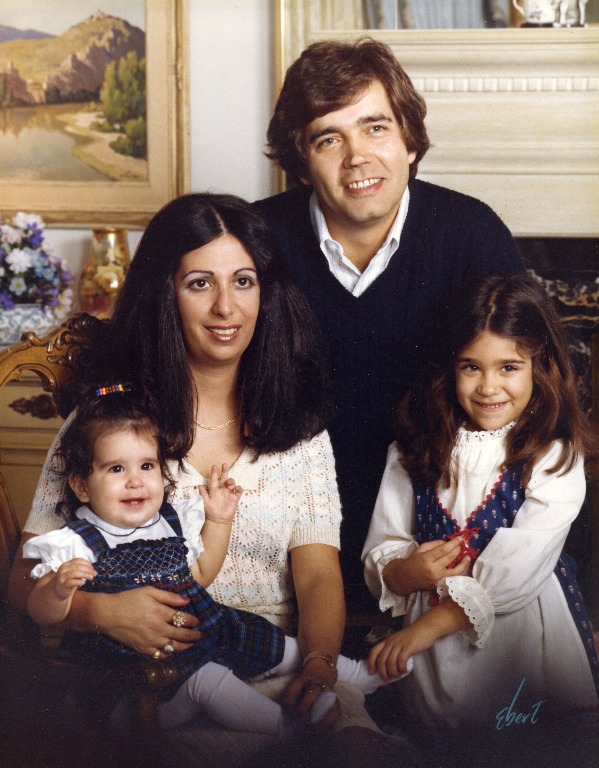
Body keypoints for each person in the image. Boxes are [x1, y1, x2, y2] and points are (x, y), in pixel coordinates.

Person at [10, 193, 402, 765]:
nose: (226, 307)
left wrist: (319, 667)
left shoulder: (299, 427)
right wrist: (99, 612)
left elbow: (318, 574)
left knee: (361, 752)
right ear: (165, 294)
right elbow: (24, 578)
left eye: (243, 281)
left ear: (266, 293)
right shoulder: (105, 428)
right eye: (200, 283)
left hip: (282, 663)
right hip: (156, 682)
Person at [253, 37, 526, 603]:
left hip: (434, 527)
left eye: (376, 128)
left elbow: (530, 393)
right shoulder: (255, 241)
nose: (358, 157)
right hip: (288, 527)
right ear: (301, 161)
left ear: (409, 141)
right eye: (330, 138)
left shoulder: (472, 235)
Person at [24, 388, 410, 738]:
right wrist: (60, 591)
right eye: (115, 469)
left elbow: (202, 572)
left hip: (201, 641)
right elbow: (39, 607)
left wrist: (220, 520)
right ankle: (288, 727)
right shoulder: (74, 541)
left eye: (147, 467)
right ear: (80, 485)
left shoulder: (166, 524)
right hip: (138, 684)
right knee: (209, 680)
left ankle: (348, 671)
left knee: (249, 633)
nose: (135, 482)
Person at [362, 273, 599, 736]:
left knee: (519, 742)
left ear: (541, 366)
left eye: (509, 367)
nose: (489, 387)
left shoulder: (554, 455)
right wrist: (406, 573)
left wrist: (425, 629)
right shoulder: (412, 451)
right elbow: (385, 543)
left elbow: (519, 567)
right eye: (471, 367)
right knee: (437, 739)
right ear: (449, 368)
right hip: (431, 652)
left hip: (524, 640)